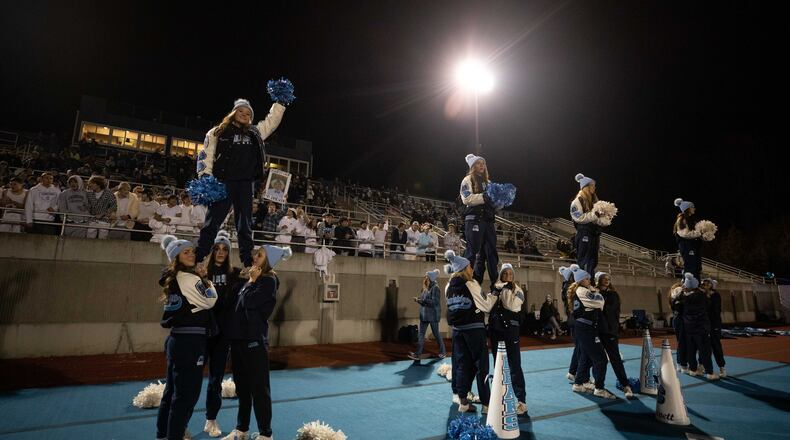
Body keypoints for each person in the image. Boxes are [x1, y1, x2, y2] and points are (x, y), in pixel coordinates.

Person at [195, 97, 288, 276]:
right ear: (233, 112)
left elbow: (272, 122)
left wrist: (280, 103)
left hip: (246, 183)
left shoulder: (255, 132)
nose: (244, 115)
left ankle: (247, 262)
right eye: (241, 111)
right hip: (224, 182)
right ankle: (199, 257)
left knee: (244, 224)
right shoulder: (218, 131)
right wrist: (205, 177)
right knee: (212, 221)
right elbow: (206, 155)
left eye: (248, 113)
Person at [222, 245, 292, 440]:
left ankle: (265, 434)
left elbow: (249, 303)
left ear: (268, 260)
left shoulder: (269, 280)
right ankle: (241, 430)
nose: (254, 257)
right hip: (239, 340)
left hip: (253, 341)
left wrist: (251, 281)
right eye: (255, 253)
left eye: (259, 255)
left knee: (259, 390)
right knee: (242, 389)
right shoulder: (252, 279)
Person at [155, 235, 218, 440]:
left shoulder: (174, 277)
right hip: (190, 342)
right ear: (177, 257)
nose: (192, 254)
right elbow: (211, 301)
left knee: (172, 392)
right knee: (186, 397)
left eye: (192, 251)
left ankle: (163, 433)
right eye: (186, 252)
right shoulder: (188, 278)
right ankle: (175, 434)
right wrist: (206, 280)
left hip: (177, 340)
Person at [444, 250, 497, 413]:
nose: (472, 269)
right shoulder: (470, 283)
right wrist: (494, 294)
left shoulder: (447, 286)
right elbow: (486, 305)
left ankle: (463, 402)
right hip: (474, 330)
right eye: (470, 267)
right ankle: (487, 404)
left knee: (462, 366)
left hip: (457, 331)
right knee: (481, 366)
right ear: (464, 269)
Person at [201, 231, 241, 438]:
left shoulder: (235, 274)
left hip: (222, 335)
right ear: (212, 250)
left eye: (225, 249)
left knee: (215, 379)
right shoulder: (201, 272)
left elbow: (261, 277)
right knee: (190, 380)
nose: (221, 252)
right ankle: (181, 422)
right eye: (217, 248)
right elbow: (166, 276)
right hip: (200, 333)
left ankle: (211, 419)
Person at [568, 265, 615, 399]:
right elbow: (599, 303)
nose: (589, 280)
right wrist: (597, 294)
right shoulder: (582, 291)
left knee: (586, 357)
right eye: (587, 278)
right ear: (581, 280)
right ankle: (599, 388)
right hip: (586, 328)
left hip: (585, 327)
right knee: (601, 359)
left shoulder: (584, 290)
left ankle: (578, 383)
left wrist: (595, 293)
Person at [488, 263, 528, 415]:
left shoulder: (518, 291)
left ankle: (521, 400)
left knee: (514, 365)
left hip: (510, 331)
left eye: (510, 274)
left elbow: (510, 305)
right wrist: (495, 291)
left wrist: (502, 289)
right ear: (501, 275)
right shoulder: (496, 288)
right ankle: (499, 396)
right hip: (495, 331)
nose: (507, 276)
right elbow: (488, 306)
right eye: (505, 274)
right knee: (498, 364)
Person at [460, 154, 499, 290]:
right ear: (472, 166)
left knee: (491, 253)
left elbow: (492, 203)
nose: (481, 165)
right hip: (474, 220)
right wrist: (484, 196)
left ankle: (495, 284)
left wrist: (501, 200)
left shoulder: (489, 183)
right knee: (472, 252)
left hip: (488, 222)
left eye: (483, 163)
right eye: (478, 163)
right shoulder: (467, 179)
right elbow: (466, 198)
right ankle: (466, 281)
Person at [595, 272, 633, 398]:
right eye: (604, 278)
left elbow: (608, 310)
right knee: (598, 360)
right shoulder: (594, 294)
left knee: (615, 359)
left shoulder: (613, 295)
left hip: (609, 331)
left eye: (608, 278)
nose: (606, 280)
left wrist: (598, 300)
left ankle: (625, 385)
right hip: (597, 332)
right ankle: (598, 385)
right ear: (598, 280)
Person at [681, 273, 718, 380]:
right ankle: (709, 372)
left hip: (689, 327)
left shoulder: (684, 297)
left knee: (691, 350)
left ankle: (693, 369)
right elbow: (709, 305)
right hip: (701, 327)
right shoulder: (701, 296)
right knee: (704, 350)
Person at [570, 173, 605, 275]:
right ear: (586, 187)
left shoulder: (594, 200)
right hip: (584, 233)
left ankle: (591, 281)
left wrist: (603, 219)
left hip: (594, 233)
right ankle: (582, 282)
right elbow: (578, 218)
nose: (594, 188)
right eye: (592, 185)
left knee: (593, 261)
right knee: (584, 260)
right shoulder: (577, 201)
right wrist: (595, 215)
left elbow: (596, 218)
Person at [408, 269, 446, 360]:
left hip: (432, 316)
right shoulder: (425, 288)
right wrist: (418, 300)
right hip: (424, 315)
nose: (425, 279)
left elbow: (434, 302)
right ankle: (417, 354)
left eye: (427, 277)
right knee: (421, 335)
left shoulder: (435, 288)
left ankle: (443, 352)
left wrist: (422, 300)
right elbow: (424, 301)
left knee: (436, 334)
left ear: (431, 278)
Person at [702, 278, 726, 377]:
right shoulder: (703, 296)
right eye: (703, 283)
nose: (704, 285)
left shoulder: (715, 295)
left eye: (707, 283)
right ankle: (705, 367)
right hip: (705, 325)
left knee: (716, 346)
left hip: (714, 324)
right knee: (704, 347)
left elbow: (715, 311)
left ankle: (722, 367)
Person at [673, 198, 702, 280]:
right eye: (692, 207)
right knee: (691, 266)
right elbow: (685, 234)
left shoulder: (692, 220)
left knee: (697, 266)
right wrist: (699, 233)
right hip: (687, 246)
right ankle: (688, 286)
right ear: (687, 209)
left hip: (694, 246)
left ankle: (696, 285)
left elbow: (695, 233)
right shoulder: (681, 219)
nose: (694, 209)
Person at [86, 175, 117, 240]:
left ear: (98, 184)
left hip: (105, 220)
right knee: (89, 238)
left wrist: (103, 214)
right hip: (92, 219)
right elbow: (87, 205)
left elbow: (114, 206)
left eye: (92, 183)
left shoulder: (108, 193)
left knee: (102, 240)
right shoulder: (88, 193)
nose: (90, 185)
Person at [669, 281, 688, 373]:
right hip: (679, 319)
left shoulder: (675, 297)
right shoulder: (676, 297)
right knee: (682, 342)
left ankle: (680, 362)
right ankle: (681, 363)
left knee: (682, 342)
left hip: (678, 319)